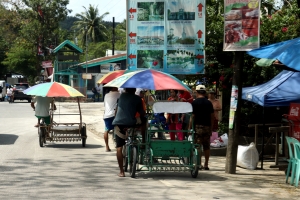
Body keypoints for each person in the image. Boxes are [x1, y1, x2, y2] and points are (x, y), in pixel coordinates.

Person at [112, 88, 146, 177]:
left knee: (119, 147)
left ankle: (121, 172)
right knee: (144, 121)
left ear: (125, 89)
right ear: (135, 90)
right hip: (131, 123)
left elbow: (116, 111)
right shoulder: (137, 98)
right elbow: (142, 113)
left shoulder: (121, 97)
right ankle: (143, 141)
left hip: (118, 123)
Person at [188, 85, 214, 170]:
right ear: (204, 92)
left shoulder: (194, 103)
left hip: (198, 127)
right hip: (207, 127)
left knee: (197, 146)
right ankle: (206, 164)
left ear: (197, 92)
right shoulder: (209, 102)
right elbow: (212, 116)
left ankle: (198, 164)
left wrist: (189, 127)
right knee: (206, 146)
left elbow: (193, 116)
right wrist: (211, 127)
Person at [103, 87, 120, 152]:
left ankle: (107, 147)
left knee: (106, 130)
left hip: (106, 115)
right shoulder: (118, 94)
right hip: (115, 115)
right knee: (119, 128)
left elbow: (105, 105)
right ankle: (119, 145)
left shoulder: (106, 95)